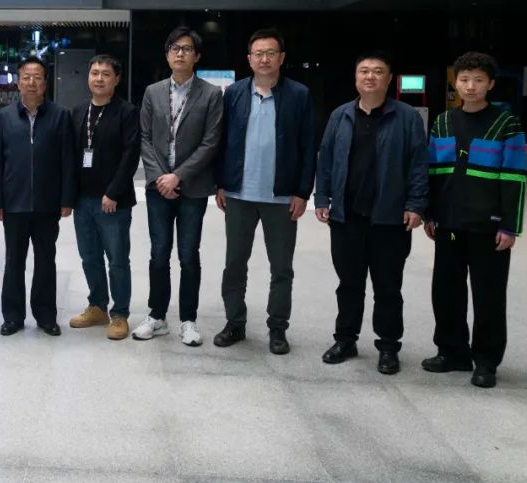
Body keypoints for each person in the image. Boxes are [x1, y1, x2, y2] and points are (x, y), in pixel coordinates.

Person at [314, 51, 428, 375]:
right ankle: (345, 340)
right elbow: (326, 159)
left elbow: (418, 164)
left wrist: (416, 204)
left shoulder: (407, 118)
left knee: (388, 288)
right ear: (355, 78)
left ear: (389, 79)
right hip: (346, 218)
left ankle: (388, 347)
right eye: (364, 71)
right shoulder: (340, 115)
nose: (370, 77)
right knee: (348, 284)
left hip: (389, 220)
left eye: (378, 71)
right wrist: (322, 197)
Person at [422, 52, 527, 388]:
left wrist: (509, 225)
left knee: (489, 297)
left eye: (479, 80)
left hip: (488, 227)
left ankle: (486, 361)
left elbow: (514, 178)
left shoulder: (506, 124)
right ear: (456, 83)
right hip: (449, 225)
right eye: (465, 79)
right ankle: (452, 352)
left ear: (490, 84)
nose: (471, 86)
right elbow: (433, 173)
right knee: (446, 292)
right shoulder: (442, 122)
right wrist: (429, 213)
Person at [213, 28, 316, 355]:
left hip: (281, 198)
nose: (264, 59)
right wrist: (221, 183)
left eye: (271, 53)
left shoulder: (299, 95)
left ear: (281, 58)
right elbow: (222, 141)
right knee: (234, 264)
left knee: (281, 268)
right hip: (239, 195)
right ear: (249, 59)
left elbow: (308, 145)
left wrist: (303, 192)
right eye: (258, 53)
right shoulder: (234, 94)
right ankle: (235, 323)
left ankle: (278, 328)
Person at [134, 26, 223, 346]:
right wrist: (161, 177)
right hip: (158, 188)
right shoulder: (152, 92)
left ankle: (188, 320)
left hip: (193, 188)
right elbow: (144, 138)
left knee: (188, 255)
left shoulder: (211, 94)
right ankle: (157, 316)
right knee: (159, 253)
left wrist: (178, 176)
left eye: (186, 49)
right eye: (174, 48)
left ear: (196, 56)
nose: (180, 53)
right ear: (167, 54)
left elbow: (211, 142)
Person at [0, 56, 76, 337]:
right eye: (26, 77)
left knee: (45, 261)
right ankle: (13, 317)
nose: (31, 82)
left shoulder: (60, 116)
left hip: (48, 204)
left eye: (37, 77)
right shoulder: (5, 117)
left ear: (45, 83)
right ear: (18, 83)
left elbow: (67, 160)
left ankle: (46, 316)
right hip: (13, 204)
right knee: (13, 261)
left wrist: (66, 199)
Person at [67, 55, 140, 341]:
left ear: (116, 79)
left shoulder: (126, 112)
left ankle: (120, 313)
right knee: (89, 257)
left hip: (113, 203)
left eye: (106, 74)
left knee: (117, 259)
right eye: (94, 72)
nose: (99, 78)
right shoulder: (78, 111)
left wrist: (113, 192)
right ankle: (97, 306)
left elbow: (130, 155)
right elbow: (70, 156)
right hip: (82, 200)